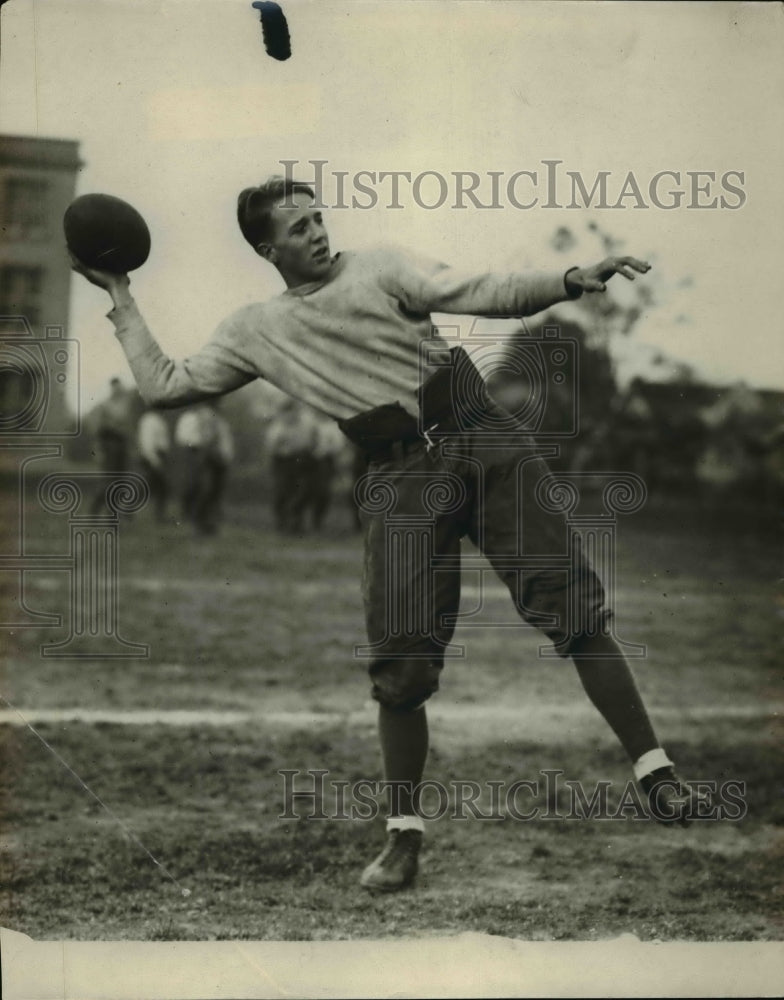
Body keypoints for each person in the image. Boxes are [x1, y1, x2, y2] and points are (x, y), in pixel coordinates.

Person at [70, 175, 707, 893]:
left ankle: (656, 772)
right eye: (298, 225)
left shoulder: (378, 265)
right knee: (400, 668)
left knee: (575, 608)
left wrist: (568, 279)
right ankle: (403, 840)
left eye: (318, 217)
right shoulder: (256, 328)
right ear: (265, 246)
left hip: (479, 434)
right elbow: (165, 383)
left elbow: (479, 289)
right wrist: (120, 298)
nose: (316, 231)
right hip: (397, 475)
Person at [175, 402, 234, 535]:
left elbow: (220, 440)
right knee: (203, 488)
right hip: (200, 453)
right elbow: (191, 438)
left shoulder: (218, 419)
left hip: (213, 455)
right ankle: (199, 522)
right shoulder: (194, 417)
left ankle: (206, 523)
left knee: (211, 490)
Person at [265, 398, 318, 533]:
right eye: (289, 412)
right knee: (283, 491)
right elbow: (272, 447)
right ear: (284, 413)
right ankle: (283, 522)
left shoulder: (305, 424)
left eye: (295, 411)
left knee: (301, 491)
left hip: (301, 460)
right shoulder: (277, 427)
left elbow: (312, 441)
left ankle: (296, 521)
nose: (293, 415)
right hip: (283, 461)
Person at [89, 377, 135, 514]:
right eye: (115, 388)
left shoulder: (125, 405)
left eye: (119, 387)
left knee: (120, 481)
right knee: (108, 482)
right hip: (109, 447)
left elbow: (128, 428)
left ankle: (109, 511)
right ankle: (100, 511)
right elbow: (98, 431)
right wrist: (99, 451)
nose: (118, 390)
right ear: (112, 389)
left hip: (121, 447)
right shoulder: (105, 406)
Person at [137, 406, 171, 522]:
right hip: (152, 457)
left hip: (158, 456)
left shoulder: (159, 419)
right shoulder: (149, 420)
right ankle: (159, 516)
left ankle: (159, 516)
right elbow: (147, 442)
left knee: (156, 488)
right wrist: (154, 460)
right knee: (150, 487)